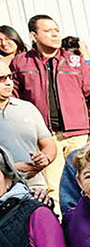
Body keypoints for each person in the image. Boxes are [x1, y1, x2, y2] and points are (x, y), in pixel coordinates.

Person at [11, 14, 90, 206]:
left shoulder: (75, 61)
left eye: (57, 30)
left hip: (79, 135)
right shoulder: (20, 63)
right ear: (34, 35)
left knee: (87, 182)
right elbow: (15, 101)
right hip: (45, 138)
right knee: (54, 188)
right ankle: (59, 222)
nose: (55, 34)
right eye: (48, 31)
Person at [0, 58, 56, 190]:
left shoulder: (27, 108)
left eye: (10, 77)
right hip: (3, 187)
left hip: (34, 186)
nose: (8, 83)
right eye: (1, 79)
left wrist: (45, 158)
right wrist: (12, 168)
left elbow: (48, 144)